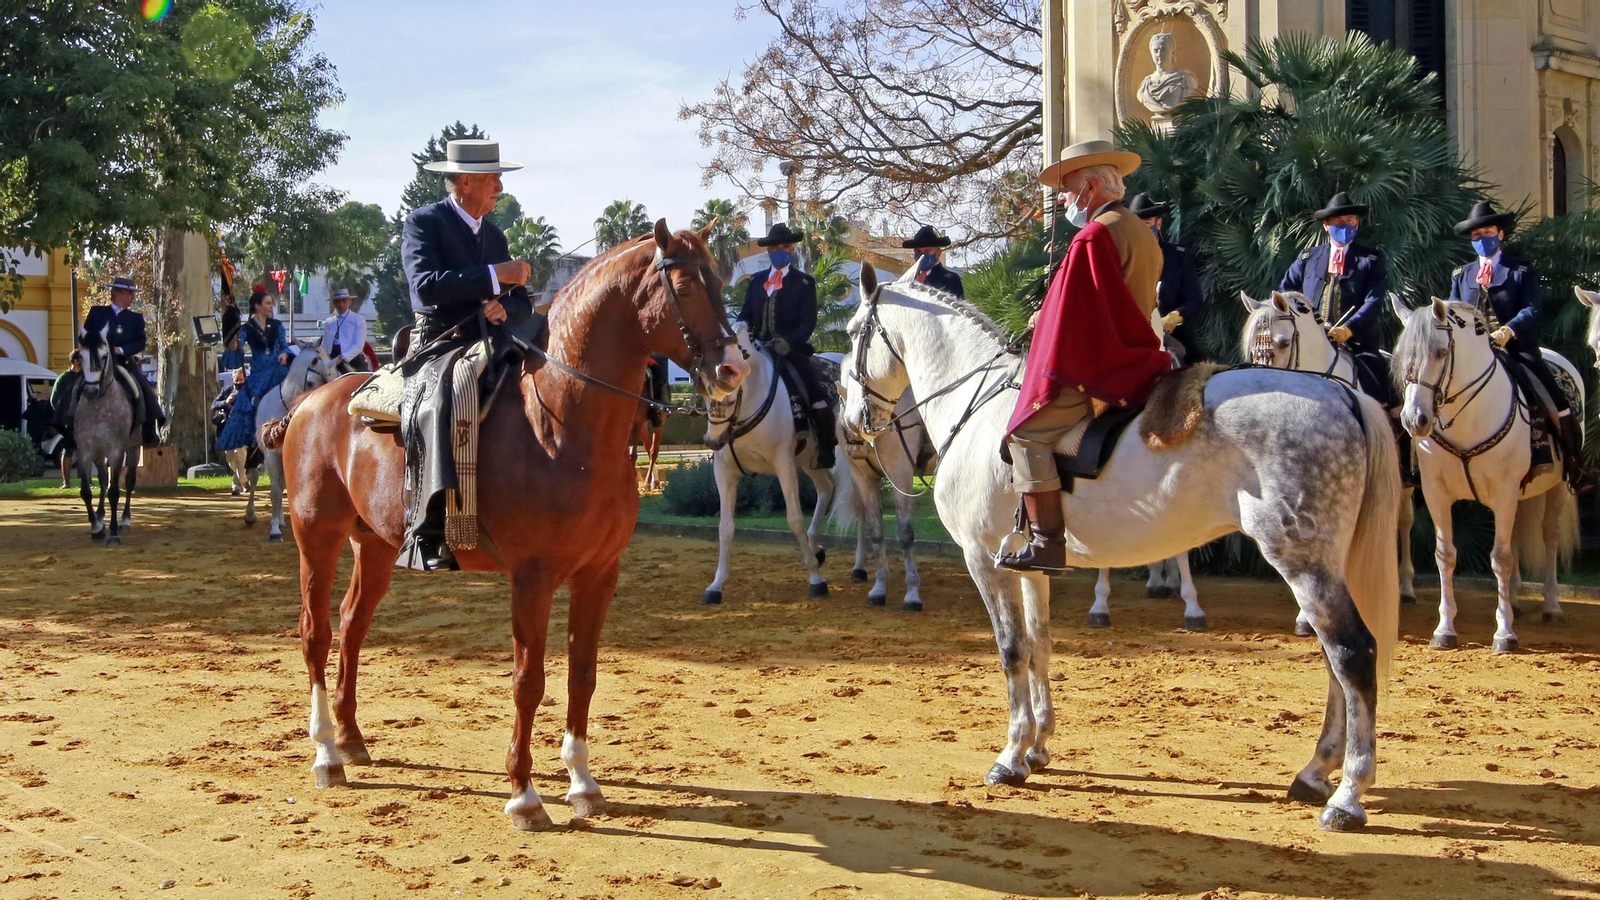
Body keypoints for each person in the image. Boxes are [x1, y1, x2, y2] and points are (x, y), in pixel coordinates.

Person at [1000, 140, 1172, 573]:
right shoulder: (1139, 230)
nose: (1061, 199)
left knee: (1025, 436)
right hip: (1139, 355)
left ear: (1091, 188)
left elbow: (1078, 316)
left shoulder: (1093, 236)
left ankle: (1046, 543)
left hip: (1100, 365)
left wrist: (1044, 320)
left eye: (1066, 190)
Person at [399, 139, 539, 571]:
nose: (500, 187)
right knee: (442, 398)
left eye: (498, 179)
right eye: (493, 179)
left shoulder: (494, 235)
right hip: (439, 340)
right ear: (465, 182)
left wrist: (504, 307)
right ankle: (429, 527)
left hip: (489, 339)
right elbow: (425, 287)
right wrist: (495, 276)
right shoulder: (423, 222)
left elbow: (521, 302)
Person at [1448, 199, 1587, 490]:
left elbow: (1532, 308)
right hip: (1473, 352)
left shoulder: (1521, 270)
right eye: (1476, 235)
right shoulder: (1461, 275)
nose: (1482, 239)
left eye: (1487, 233)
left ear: (1500, 234)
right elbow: (1453, 312)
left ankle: (1575, 464)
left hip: (1516, 348)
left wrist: (1508, 330)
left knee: (1552, 396)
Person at [1277, 191, 1393, 406]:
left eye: (1350, 220)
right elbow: (1284, 292)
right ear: (1326, 225)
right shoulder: (1308, 257)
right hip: (1309, 339)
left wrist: (1348, 329)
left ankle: (1391, 417)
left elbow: (1374, 301)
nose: (1345, 225)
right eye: (1338, 221)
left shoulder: (1371, 259)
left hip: (1355, 342)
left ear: (1357, 223)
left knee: (1380, 377)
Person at [736, 222, 836, 468]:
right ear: (768, 251)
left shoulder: (804, 282)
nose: (780, 251)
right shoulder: (757, 281)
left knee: (816, 394)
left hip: (792, 351)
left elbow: (808, 322)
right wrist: (740, 328)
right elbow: (746, 314)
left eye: (785, 247)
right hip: (758, 348)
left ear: (792, 249)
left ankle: (825, 450)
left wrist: (789, 342)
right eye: (775, 248)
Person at [79, 276, 165, 446]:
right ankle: (67, 428)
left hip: (122, 362)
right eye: (130, 294)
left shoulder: (135, 318)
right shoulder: (97, 313)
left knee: (145, 390)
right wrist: (97, 345)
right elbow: (84, 336)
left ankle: (149, 431)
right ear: (118, 293)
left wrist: (122, 350)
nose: (133, 297)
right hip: (98, 364)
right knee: (73, 387)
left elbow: (140, 342)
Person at [1129, 192, 1204, 362]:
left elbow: (1194, 299)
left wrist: (1175, 316)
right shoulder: (1123, 257)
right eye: (1137, 225)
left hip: (1173, 337)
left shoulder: (1178, 257)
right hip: (1133, 338)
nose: (1142, 230)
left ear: (1158, 224)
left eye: (1147, 224)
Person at [215, 288, 291, 455]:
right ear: (257, 306)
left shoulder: (277, 325)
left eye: (271, 303)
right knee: (247, 401)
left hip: (277, 370)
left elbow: (284, 346)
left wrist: (285, 354)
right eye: (267, 303)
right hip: (259, 373)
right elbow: (237, 348)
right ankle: (254, 442)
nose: (271, 306)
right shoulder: (247, 328)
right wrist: (232, 336)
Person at [901, 225, 964, 298]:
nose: (922, 255)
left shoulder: (950, 279)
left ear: (938, 253)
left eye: (927, 251)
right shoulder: (908, 279)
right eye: (918, 251)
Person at [320, 288, 370, 372]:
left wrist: (343, 357)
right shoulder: (329, 322)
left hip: (352, 359)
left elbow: (358, 345)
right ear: (334, 303)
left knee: (363, 378)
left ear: (349, 302)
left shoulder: (358, 319)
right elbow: (325, 344)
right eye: (337, 301)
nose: (341, 304)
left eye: (344, 301)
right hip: (331, 358)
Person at [50, 354, 81, 488]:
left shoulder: (86, 377)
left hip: (86, 420)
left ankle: (88, 482)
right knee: (68, 449)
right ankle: (66, 482)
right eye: (81, 358)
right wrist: (63, 415)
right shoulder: (64, 378)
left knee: (86, 451)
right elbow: (54, 399)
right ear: (75, 360)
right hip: (70, 420)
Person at [219, 289, 244, 371]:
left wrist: (232, 348)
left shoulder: (230, 313)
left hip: (233, 351)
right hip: (234, 348)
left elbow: (233, 334)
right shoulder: (233, 311)